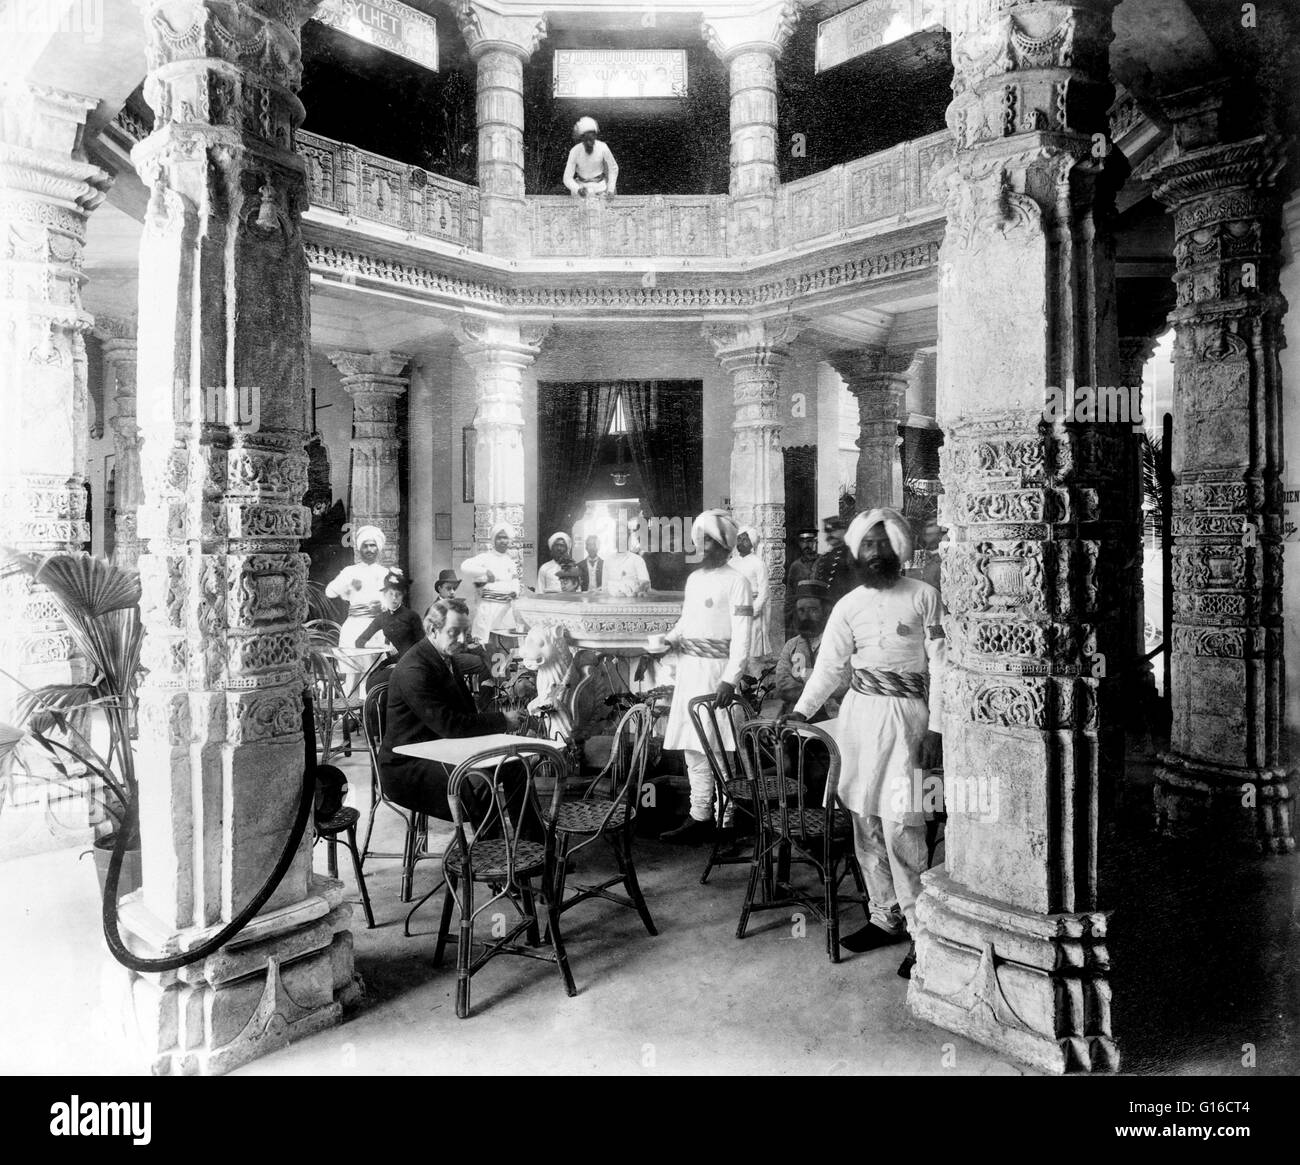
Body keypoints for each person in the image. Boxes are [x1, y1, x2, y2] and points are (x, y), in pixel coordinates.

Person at [787, 507, 945, 978]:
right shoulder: (849, 605)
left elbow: (942, 665)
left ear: (898, 547)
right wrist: (800, 712)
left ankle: (923, 934)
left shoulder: (925, 597)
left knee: (903, 823)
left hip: (909, 720)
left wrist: (936, 728)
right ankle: (885, 916)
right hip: (860, 717)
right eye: (868, 545)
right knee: (864, 819)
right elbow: (829, 668)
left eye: (883, 543)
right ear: (857, 551)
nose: (875, 552)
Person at [378, 598, 528, 831]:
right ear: (432, 630)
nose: (461, 639)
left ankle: (536, 847)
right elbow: (449, 725)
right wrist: (503, 721)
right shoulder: (414, 668)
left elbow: (465, 712)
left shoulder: (443, 657)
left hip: (440, 751)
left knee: (516, 765)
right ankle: (492, 859)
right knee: (480, 785)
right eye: (453, 632)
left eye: (464, 632)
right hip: (407, 768)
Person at [657, 510, 754, 845]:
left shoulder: (737, 581)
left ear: (726, 545)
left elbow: (743, 637)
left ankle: (726, 822)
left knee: (720, 748)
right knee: (693, 748)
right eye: (702, 540)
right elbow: (686, 622)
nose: (705, 546)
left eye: (712, 541)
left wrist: (731, 678)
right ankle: (699, 815)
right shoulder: (694, 579)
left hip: (718, 676)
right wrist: (668, 640)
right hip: (690, 671)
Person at [773, 577, 848, 804]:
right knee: (792, 770)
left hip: (831, 719)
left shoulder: (839, 644)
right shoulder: (792, 645)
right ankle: (798, 821)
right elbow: (783, 686)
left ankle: (822, 821)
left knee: (821, 773)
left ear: (826, 611)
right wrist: (817, 683)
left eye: (812, 610)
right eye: (801, 610)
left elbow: (842, 682)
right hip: (796, 720)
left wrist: (806, 680)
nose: (806, 615)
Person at [324, 525, 391, 653]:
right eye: (365, 546)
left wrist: (383, 605)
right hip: (354, 626)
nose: (369, 549)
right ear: (360, 549)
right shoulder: (350, 571)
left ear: (378, 548)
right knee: (353, 669)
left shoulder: (385, 573)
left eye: (372, 545)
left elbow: (392, 601)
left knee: (374, 669)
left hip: (376, 628)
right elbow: (329, 592)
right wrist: (349, 587)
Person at [459, 524, 523, 644]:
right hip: (488, 608)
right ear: (493, 540)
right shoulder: (485, 558)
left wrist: (515, 592)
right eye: (499, 537)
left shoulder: (511, 562)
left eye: (505, 538)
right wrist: (485, 571)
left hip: (505, 610)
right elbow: (464, 566)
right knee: (485, 644)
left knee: (504, 645)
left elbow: (515, 582)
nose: (503, 541)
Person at [356, 570, 424, 662]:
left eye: (398, 594)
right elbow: (359, 641)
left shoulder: (412, 616)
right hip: (393, 661)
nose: (394, 598)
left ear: (403, 596)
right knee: (374, 676)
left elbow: (422, 644)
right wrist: (382, 646)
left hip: (411, 661)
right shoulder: (382, 618)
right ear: (384, 595)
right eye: (390, 594)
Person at [730, 526, 771, 668]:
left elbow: (764, 592)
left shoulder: (758, 564)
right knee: (737, 654)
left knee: (753, 657)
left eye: (745, 539)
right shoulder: (731, 563)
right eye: (739, 539)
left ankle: (758, 689)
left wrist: (751, 612)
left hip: (752, 614)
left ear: (752, 542)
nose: (741, 542)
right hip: (734, 613)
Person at [563, 116, 618, 198]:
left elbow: (613, 168)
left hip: (601, 189)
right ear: (582, 139)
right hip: (581, 191)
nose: (589, 144)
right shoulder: (574, 151)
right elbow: (567, 178)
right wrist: (578, 189)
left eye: (591, 140)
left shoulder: (603, 147)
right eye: (586, 140)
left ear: (595, 137)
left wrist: (610, 189)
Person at [784, 527, 820, 637]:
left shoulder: (823, 562)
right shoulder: (795, 566)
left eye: (809, 541)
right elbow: (790, 595)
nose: (806, 545)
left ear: (815, 542)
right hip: (801, 616)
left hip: (819, 614)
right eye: (803, 542)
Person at [813, 514, 854, 606]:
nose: (830, 535)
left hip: (844, 604)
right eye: (827, 531)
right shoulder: (823, 558)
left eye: (834, 530)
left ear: (844, 531)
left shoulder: (852, 555)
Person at [606, 528, 651, 596]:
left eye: (623, 535)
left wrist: (636, 591)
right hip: (611, 604)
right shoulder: (608, 560)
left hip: (632, 603)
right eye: (617, 535)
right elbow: (604, 588)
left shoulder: (637, 560)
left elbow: (645, 582)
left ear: (628, 539)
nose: (620, 538)